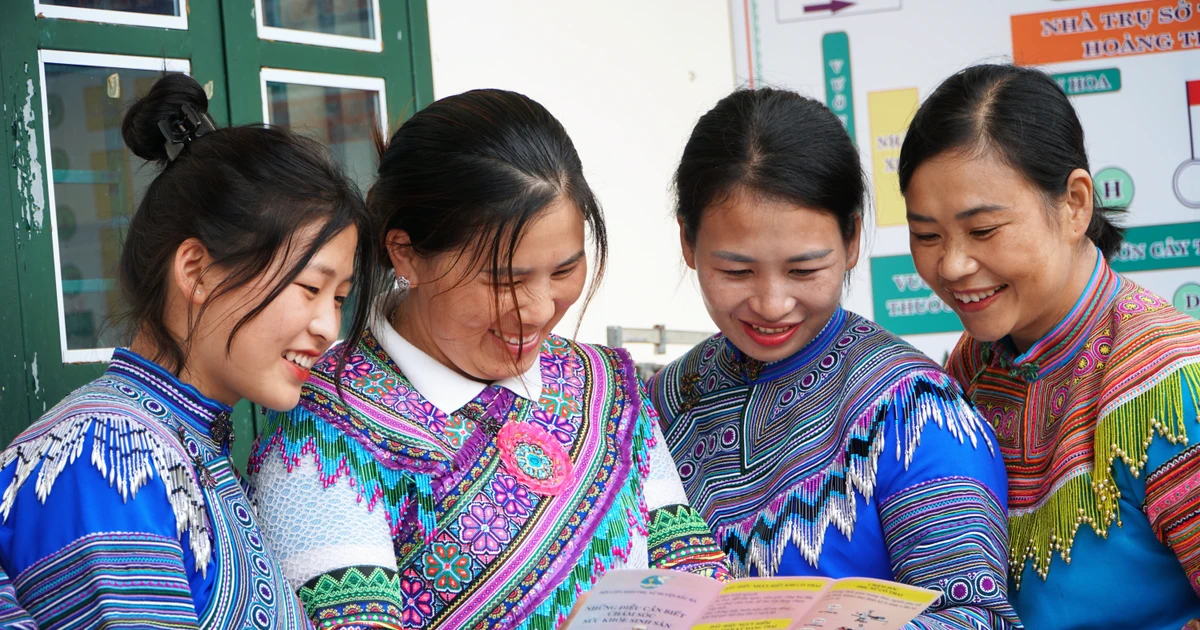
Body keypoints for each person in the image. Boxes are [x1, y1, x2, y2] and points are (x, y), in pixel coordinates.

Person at [247, 88, 730, 630]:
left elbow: (691, 572)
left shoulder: (605, 387)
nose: (541, 309)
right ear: (405, 252)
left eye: (564, 271)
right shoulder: (326, 432)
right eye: (507, 280)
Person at [0, 72, 376, 628]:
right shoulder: (110, 458)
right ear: (196, 272)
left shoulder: (182, 448)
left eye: (339, 297)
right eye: (308, 287)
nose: (327, 326)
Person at [650, 87, 1020, 629]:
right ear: (687, 241)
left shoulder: (916, 415)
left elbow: (974, 618)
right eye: (736, 272)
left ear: (851, 238)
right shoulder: (658, 406)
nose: (772, 304)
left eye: (803, 271)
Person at [900, 63, 1200, 629]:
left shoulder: (1175, 385)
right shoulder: (973, 363)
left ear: (1075, 204)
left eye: (984, 230)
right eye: (926, 235)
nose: (953, 265)